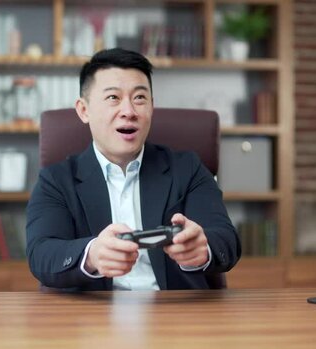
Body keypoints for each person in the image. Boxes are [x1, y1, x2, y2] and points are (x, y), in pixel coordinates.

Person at [26, 48, 240, 291]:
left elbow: (227, 241)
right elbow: (41, 253)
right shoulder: (56, 180)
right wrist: (92, 255)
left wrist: (204, 247)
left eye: (139, 98)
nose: (128, 111)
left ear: (151, 107)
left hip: (175, 314)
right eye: (113, 98)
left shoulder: (187, 168)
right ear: (84, 110)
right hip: (91, 318)